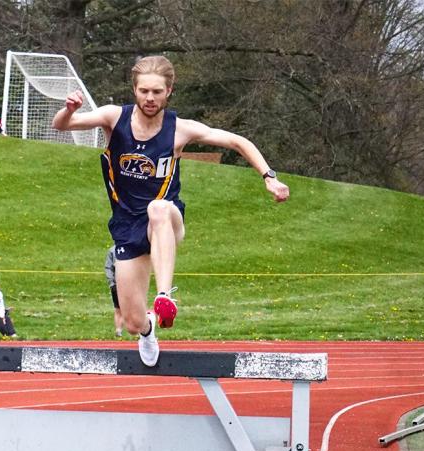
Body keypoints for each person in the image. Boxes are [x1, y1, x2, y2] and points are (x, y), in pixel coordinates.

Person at [52, 55, 289, 367]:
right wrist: (69, 110)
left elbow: (237, 141)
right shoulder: (114, 117)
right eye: (144, 91)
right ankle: (148, 330)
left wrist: (269, 178)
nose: (150, 99)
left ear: (169, 92)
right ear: (135, 90)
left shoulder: (180, 130)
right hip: (127, 224)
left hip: (166, 219)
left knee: (158, 208)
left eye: (157, 92)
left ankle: (164, 297)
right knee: (133, 320)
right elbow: (61, 126)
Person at [105, 246, 124, 337]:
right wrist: (111, 283)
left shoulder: (133, 247)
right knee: (118, 308)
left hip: (129, 284)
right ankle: (118, 329)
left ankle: (121, 329)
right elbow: (108, 268)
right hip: (117, 285)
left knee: (121, 309)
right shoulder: (112, 250)